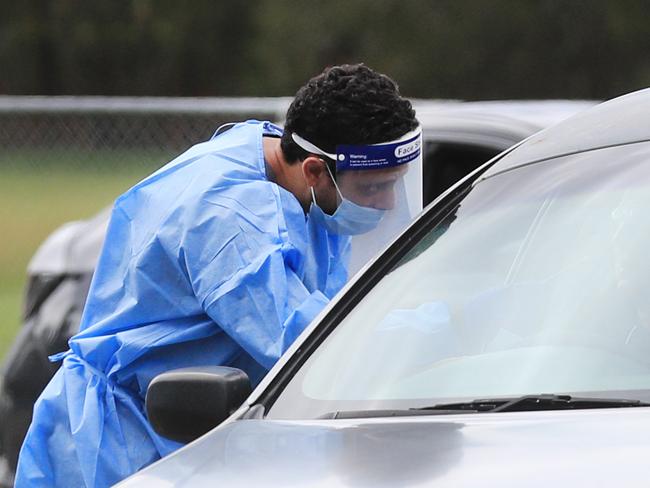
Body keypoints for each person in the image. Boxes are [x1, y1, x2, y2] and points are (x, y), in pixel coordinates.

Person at [14, 63, 420, 487]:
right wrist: (440, 326)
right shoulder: (229, 222)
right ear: (315, 170)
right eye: (373, 188)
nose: (389, 203)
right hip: (120, 446)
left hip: (181, 431)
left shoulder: (276, 159)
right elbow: (305, 342)